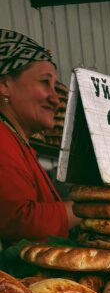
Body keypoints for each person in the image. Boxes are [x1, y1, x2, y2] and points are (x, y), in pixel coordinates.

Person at [0, 30, 80, 243]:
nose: (56, 99)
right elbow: (19, 222)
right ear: (5, 85)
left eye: (55, 87)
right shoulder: (2, 139)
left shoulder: (17, 142)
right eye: (45, 82)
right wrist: (92, 207)